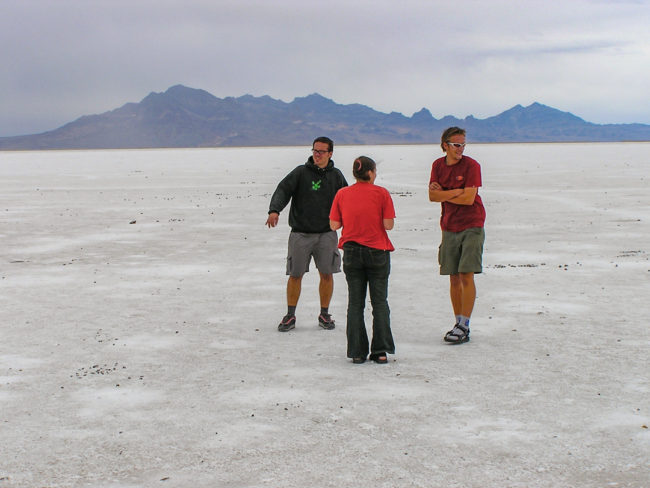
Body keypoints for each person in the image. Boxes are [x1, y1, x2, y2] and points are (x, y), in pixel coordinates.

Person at [266, 136, 348, 332]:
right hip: (300, 234)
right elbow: (283, 189)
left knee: (327, 274)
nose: (317, 154)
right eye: (314, 150)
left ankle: (324, 314)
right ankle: (290, 315)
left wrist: (352, 224)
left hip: (326, 234)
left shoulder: (336, 176)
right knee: (295, 274)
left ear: (330, 154)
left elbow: (347, 199)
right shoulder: (301, 172)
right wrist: (274, 210)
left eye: (321, 151)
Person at [329, 156, 396, 364]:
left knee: (355, 303)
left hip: (352, 253)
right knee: (379, 302)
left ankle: (357, 351)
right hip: (377, 252)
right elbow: (388, 225)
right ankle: (380, 350)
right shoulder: (381, 193)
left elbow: (334, 225)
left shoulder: (342, 194)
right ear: (370, 172)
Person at [428, 127, 486, 344]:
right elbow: (432, 196)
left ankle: (465, 324)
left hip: (472, 224)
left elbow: (469, 198)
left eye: (463, 144)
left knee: (466, 274)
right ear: (445, 145)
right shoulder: (437, 165)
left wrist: (445, 192)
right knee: (453, 276)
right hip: (449, 226)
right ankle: (457, 320)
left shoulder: (472, 166)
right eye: (456, 145)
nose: (460, 149)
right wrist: (456, 191)